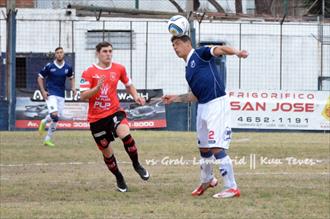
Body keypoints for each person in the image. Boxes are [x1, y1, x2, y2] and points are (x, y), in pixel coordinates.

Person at [162, 35, 248, 198]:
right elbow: (194, 95)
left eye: (178, 44)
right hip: (202, 106)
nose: (175, 47)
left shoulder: (200, 53)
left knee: (216, 146)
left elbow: (221, 49)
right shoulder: (188, 69)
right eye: (173, 45)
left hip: (216, 104)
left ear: (188, 44)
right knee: (204, 148)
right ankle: (207, 180)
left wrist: (237, 52)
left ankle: (231, 187)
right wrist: (176, 98)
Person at [79, 41, 149, 193]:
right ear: (98, 53)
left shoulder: (119, 68)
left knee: (126, 135)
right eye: (105, 51)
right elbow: (83, 95)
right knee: (107, 152)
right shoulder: (88, 72)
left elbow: (128, 85)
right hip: (96, 119)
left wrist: (136, 96)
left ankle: (136, 164)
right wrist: (96, 89)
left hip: (114, 112)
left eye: (110, 51)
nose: (108, 54)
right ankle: (119, 177)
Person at [37, 47, 76, 147]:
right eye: (57, 53)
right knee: (54, 116)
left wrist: (73, 88)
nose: (59, 54)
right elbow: (40, 77)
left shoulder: (68, 67)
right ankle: (47, 135)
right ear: (55, 55)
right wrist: (43, 91)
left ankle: (45, 126)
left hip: (61, 95)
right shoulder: (49, 66)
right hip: (51, 94)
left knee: (57, 117)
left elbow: (71, 78)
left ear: (63, 54)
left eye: (61, 52)